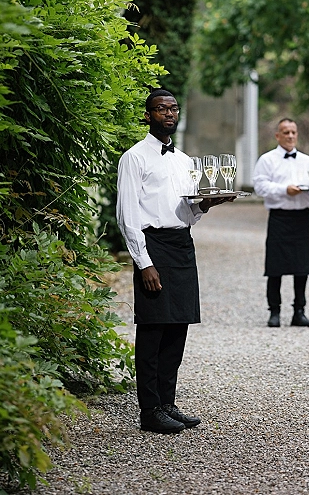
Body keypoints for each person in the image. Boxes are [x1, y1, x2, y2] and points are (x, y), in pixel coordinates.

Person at [116, 88, 225, 434]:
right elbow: (127, 215)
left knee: (178, 325)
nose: (169, 114)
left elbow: (187, 212)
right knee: (153, 329)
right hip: (153, 246)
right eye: (161, 109)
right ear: (148, 116)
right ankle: (149, 410)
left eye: (173, 109)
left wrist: (205, 205)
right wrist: (143, 262)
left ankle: (167, 402)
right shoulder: (133, 158)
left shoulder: (185, 161)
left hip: (181, 244)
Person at [253, 118, 309, 328]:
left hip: (302, 217)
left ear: (297, 135)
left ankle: (299, 311)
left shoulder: (307, 161)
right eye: (285, 132)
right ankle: (274, 312)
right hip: (279, 217)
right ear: (277, 136)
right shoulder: (267, 160)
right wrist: (284, 189)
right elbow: (260, 187)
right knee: (275, 267)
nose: (290, 136)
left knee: (302, 266)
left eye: (293, 132)